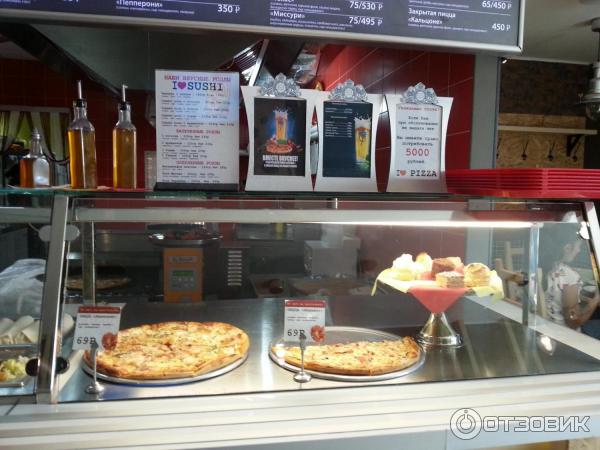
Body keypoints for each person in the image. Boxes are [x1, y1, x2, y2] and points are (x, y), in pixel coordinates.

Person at [539, 222, 600, 337]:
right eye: (578, 246)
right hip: (565, 339)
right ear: (567, 248)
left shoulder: (535, 268)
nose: (578, 250)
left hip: (542, 333)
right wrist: (596, 299)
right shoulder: (569, 277)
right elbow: (573, 322)